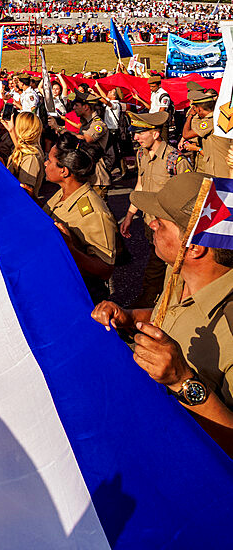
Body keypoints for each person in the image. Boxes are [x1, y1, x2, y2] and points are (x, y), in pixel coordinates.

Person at [92, 172, 233, 455]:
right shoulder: (178, 271)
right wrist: (131, 318)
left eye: (161, 221)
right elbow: (169, 316)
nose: (152, 224)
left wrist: (183, 380)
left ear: (194, 247)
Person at [120, 111, 193, 307]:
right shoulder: (141, 154)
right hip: (149, 225)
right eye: (134, 133)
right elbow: (140, 185)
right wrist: (129, 216)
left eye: (140, 133)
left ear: (156, 133)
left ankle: (151, 308)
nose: (135, 137)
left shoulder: (176, 161)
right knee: (158, 266)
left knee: (164, 271)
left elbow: (188, 200)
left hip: (170, 231)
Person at [42, 133, 117, 303]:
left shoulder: (94, 212)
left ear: (64, 171)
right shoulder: (62, 194)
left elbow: (105, 269)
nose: (45, 163)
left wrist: (71, 250)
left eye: (50, 160)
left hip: (83, 292)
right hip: (59, 282)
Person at [180, 82, 231, 177]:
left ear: (199, 109)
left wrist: (190, 116)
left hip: (217, 169)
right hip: (215, 165)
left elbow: (186, 134)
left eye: (195, 109)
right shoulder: (216, 117)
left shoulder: (209, 121)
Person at [72, 89, 112, 197]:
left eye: (76, 105)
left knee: (100, 211)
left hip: (97, 177)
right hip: (86, 172)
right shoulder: (86, 124)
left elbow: (86, 138)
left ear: (86, 107)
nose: (74, 108)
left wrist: (61, 129)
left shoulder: (98, 124)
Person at [4, 111, 45, 197]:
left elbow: (23, 193)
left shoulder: (31, 159)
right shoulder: (27, 149)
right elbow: (21, 147)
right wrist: (11, 131)